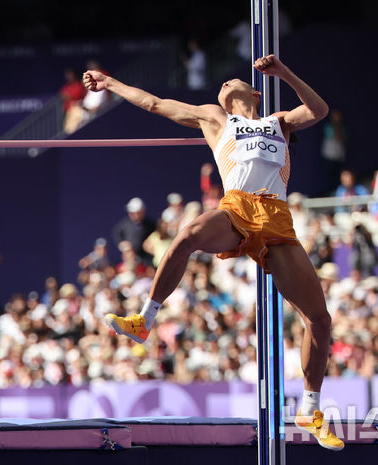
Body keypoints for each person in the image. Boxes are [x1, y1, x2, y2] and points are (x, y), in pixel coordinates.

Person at [84, 54, 343, 450]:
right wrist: (111, 83)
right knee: (187, 234)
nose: (223, 84)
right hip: (236, 207)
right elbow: (155, 104)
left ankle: (310, 407)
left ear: (254, 92)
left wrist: (284, 73)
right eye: (221, 86)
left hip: (276, 217)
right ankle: (144, 320)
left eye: (231, 82)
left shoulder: (279, 122)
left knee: (319, 320)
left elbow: (320, 110)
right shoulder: (215, 118)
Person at [112, 197, 156, 264]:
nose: (134, 215)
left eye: (137, 213)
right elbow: (116, 233)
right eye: (132, 213)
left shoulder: (150, 225)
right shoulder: (124, 224)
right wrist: (122, 244)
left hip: (147, 259)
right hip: (130, 259)